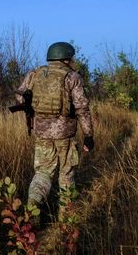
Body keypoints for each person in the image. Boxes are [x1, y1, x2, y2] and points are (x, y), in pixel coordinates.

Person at [15, 42, 94, 207]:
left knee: (43, 173)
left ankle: (33, 206)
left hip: (41, 133)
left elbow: (20, 98)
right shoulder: (72, 77)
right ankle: (66, 220)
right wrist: (88, 135)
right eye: (71, 58)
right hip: (65, 134)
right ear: (66, 58)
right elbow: (82, 107)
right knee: (66, 174)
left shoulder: (34, 74)